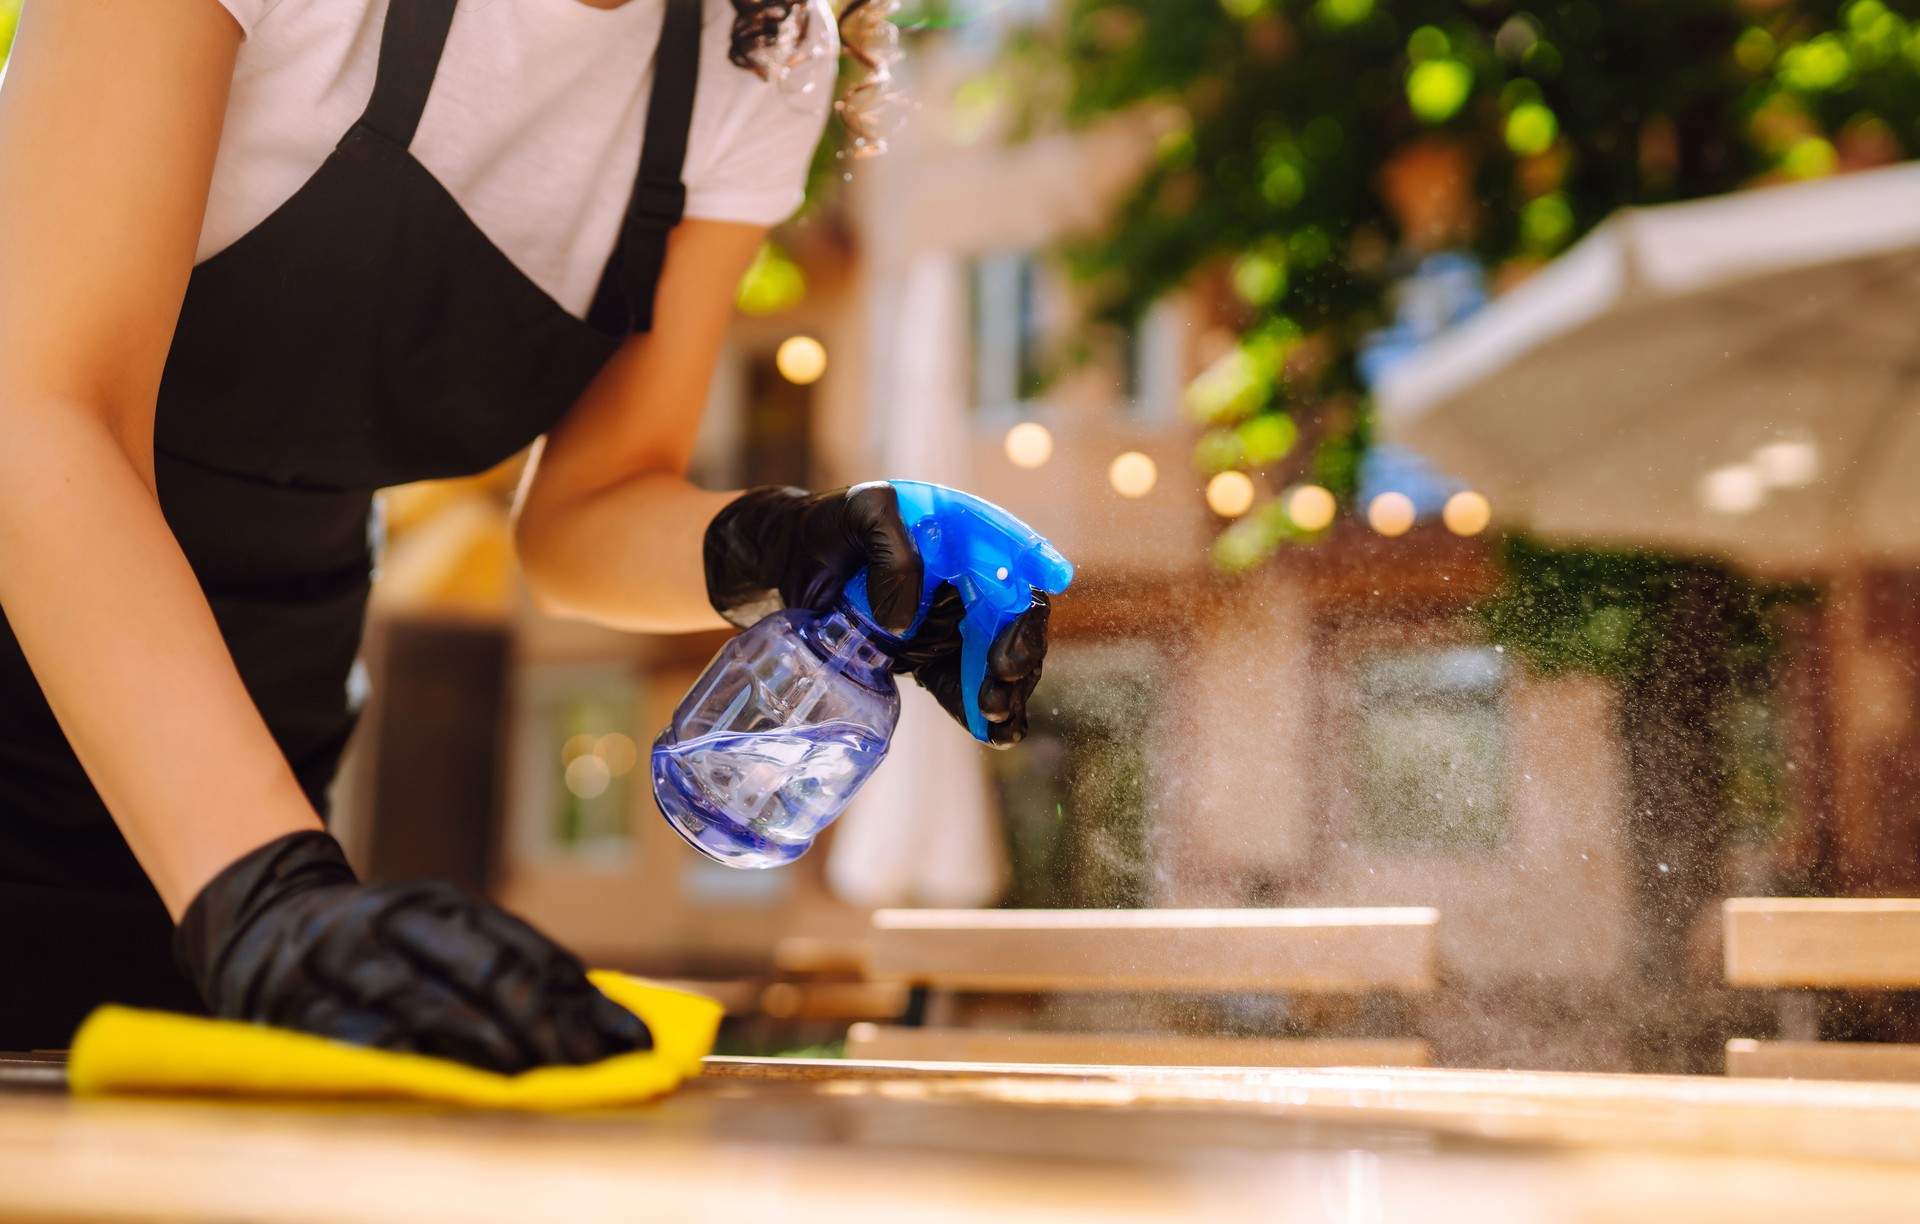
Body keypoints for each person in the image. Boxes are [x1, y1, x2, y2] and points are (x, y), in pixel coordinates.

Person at [0, 0, 1052, 1065]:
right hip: (140, 724)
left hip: (259, 733)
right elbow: (36, 408)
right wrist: (264, 888)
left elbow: (585, 513)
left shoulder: (756, 50)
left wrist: (789, 547)